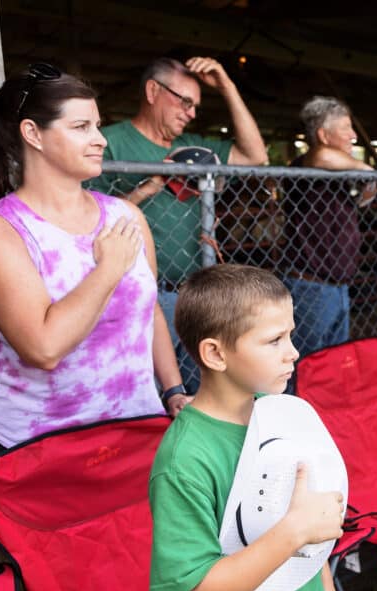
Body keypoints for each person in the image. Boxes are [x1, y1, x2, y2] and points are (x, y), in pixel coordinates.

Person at [0, 63, 190, 458]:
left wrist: (172, 389)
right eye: (81, 127)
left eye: (98, 125)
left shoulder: (127, 216)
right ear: (33, 134)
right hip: (43, 445)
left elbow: (149, 309)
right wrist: (108, 269)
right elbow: (43, 348)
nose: (100, 139)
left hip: (135, 429)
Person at [149, 264, 344, 591]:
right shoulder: (185, 462)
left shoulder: (278, 412)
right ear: (215, 354)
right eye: (274, 340)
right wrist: (294, 532)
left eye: (289, 335)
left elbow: (296, 507)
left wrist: (320, 585)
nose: (292, 351)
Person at [90, 56, 267, 395]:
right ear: (153, 91)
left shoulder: (193, 149)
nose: (192, 112)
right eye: (185, 101)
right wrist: (152, 183)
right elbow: (87, 222)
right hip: (137, 295)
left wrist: (227, 86)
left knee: (203, 393)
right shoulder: (107, 144)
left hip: (195, 292)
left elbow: (255, 155)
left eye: (196, 106)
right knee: (149, 395)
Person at [282, 96, 373, 357]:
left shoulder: (339, 174)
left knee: (332, 363)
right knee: (305, 362)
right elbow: (321, 155)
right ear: (323, 134)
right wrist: (366, 169)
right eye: (346, 128)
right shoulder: (305, 165)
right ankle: (294, 400)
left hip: (338, 285)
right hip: (311, 286)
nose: (353, 135)